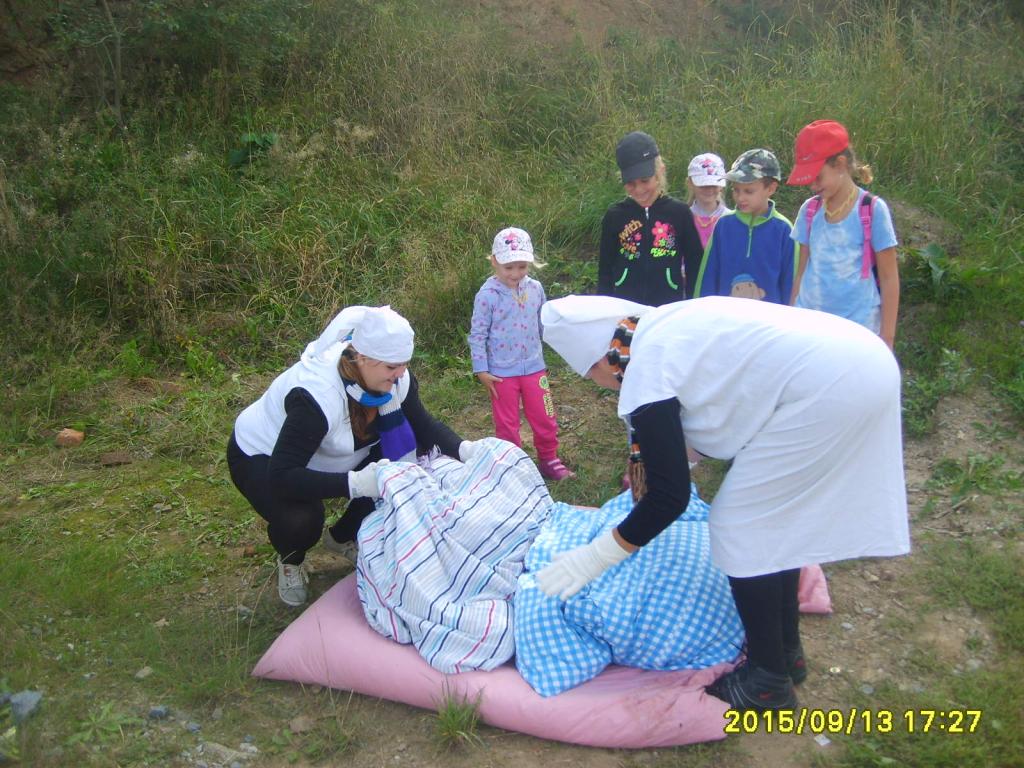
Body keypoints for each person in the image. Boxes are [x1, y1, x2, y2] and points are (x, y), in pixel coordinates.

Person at [537, 294, 910, 711]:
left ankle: (767, 681)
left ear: (601, 361)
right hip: (858, 359)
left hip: (833, 385)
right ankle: (785, 653)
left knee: (740, 526)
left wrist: (595, 557)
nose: (601, 385)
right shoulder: (661, 328)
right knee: (773, 521)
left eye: (591, 376)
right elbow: (717, 402)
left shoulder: (644, 368)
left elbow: (670, 497)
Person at [227, 306, 480, 606]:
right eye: (392, 367)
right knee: (302, 519)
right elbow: (283, 476)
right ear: (362, 358)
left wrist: (466, 450)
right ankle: (291, 560)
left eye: (404, 365)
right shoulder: (316, 397)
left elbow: (423, 425)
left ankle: (342, 536)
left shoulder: (393, 379)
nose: (400, 374)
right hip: (263, 456)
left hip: (331, 453)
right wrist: (357, 483)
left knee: (407, 463)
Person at [469, 227, 575, 481]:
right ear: (495, 261)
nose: (516, 273)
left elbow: (543, 323)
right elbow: (478, 334)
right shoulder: (487, 296)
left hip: (534, 368)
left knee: (545, 414)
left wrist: (562, 341)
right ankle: (513, 466)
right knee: (507, 423)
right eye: (509, 267)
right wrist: (481, 370)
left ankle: (549, 458)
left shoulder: (535, 288)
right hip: (501, 373)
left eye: (522, 267)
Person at [787, 120, 900, 350]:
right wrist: (790, 322)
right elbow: (801, 271)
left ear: (840, 164)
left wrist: (887, 338)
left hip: (858, 329)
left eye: (818, 177)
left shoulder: (872, 210)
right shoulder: (809, 211)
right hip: (810, 327)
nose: (812, 186)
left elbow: (889, 277)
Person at [597, 131, 704, 304]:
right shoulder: (615, 216)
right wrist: (606, 309)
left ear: (660, 171)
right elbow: (605, 271)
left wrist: (693, 305)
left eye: (645, 181)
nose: (639, 190)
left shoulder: (680, 213)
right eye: (630, 183)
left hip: (668, 307)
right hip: (626, 307)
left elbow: (695, 265)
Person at [694, 149, 797, 305]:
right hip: (726, 316)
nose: (740, 197)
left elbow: (790, 283)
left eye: (749, 191)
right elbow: (708, 275)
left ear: (771, 188)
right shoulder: (723, 225)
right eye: (736, 190)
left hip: (768, 318)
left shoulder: (784, 230)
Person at [686, 152, 731, 251]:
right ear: (690, 183)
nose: (709, 189)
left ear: (721, 186)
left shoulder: (731, 219)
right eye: (703, 185)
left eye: (713, 185)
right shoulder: (683, 218)